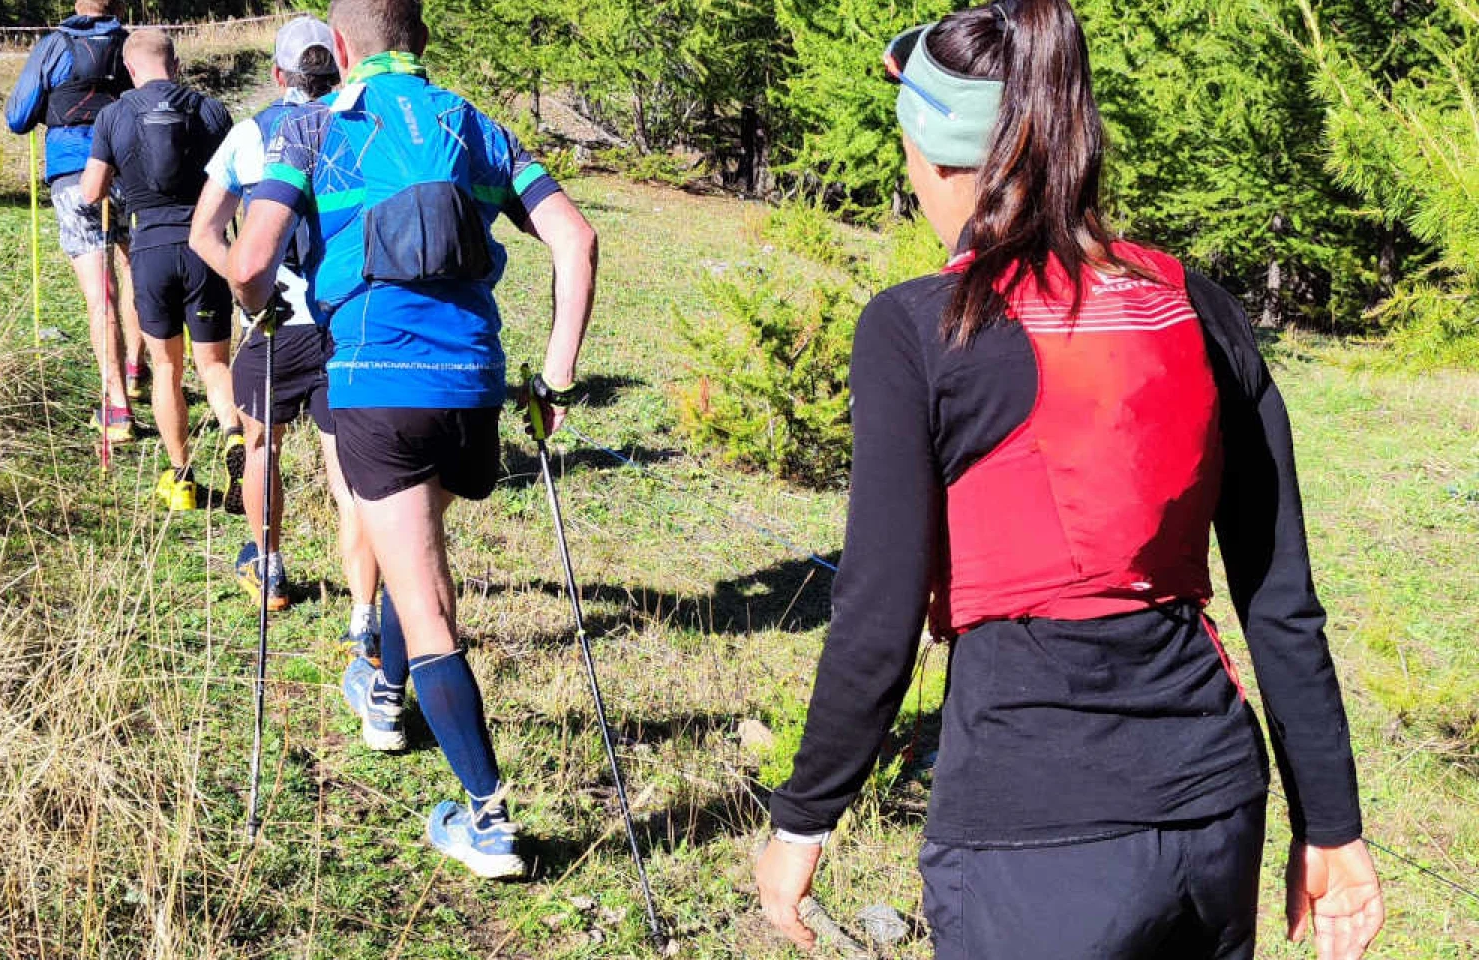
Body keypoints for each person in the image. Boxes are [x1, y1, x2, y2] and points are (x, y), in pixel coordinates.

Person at [752, 2, 1384, 958]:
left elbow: (877, 614)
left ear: (936, 158)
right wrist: (1331, 824)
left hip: (1031, 830)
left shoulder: (918, 328)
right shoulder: (1195, 305)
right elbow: (1280, 598)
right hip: (1214, 807)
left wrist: (804, 819)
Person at [225, 0, 599, 879]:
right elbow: (575, 242)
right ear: (420, 41)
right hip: (472, 384)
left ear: (341, 47)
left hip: (375, 382)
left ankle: (489, 818)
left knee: (428, 607)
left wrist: (264, 308)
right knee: (411, 562)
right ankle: (386, 694)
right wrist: (555, 379)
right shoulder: (477, 126)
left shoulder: (311, 129)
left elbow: (248, 262)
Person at [191, 16, 380, 620]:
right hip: (349, 319)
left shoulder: (253, 133)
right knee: (347, 473)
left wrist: (253, 290)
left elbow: (204, 233)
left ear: (279, 75)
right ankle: (364, 617)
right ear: (341, 64)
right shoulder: (365, 129)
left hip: (277, 319)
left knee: (261, 446)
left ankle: (268, 565)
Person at [81, 30, 236, 511]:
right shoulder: (212, 112)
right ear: (176, 62)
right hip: (206, 249)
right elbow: (239, 180)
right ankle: (235, 437)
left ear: (129, 69)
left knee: (166, 367)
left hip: (150, 249)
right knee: (214, 365)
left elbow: (90, 192)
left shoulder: (113, 115)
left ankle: (182, 477)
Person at [5, 0, 150, 444]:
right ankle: (137, 371)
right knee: (133, 270)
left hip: (74, 174)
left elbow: (17, 117)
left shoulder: (54, 46)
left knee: (98, 290)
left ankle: (117, 407)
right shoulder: (131, 45)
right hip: (130, 168)